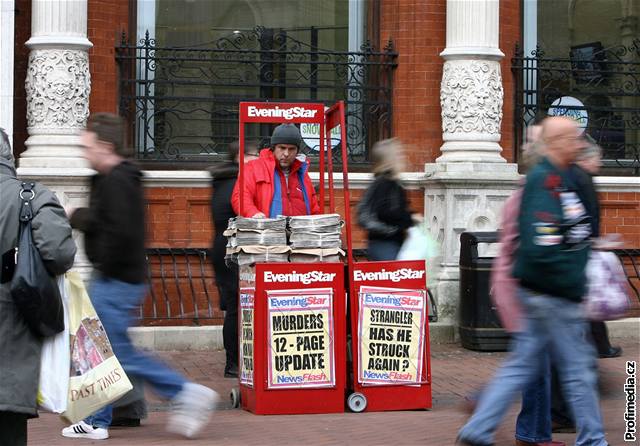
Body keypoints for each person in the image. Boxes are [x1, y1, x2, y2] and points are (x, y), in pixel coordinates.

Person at [62, 113, 217, 441]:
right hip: (114, 278)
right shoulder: (108, 178)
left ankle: (185, 392)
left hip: (117, 279)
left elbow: (122, 232)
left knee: (114, 352)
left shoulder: (119, 180)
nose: (83, 151)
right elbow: (109, 223)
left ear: (104, 145)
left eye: (87, 145)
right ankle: (98, 419)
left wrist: (83, 222)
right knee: (106, 350)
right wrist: (82, 218)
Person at [457, 117, 607, 446]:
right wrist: (572, 278)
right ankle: (594, 440)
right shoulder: (544, 182)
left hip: (545, 293)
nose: (578, 144)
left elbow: (573, 231)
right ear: (555, 143)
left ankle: (476, 430)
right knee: (578, 370)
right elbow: (542, 246)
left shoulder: (561, 178)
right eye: (572, 138)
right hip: (552, 294)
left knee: (523, 366)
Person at [0, 128, 77, 446]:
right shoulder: (31, 196)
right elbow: (59, 254)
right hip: (10, 323)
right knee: (8, 424)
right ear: (9, 157)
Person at [489, 124, 564, 446]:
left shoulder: (527, 195)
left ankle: (531, 431)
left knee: (532, 365)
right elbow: (535, 246)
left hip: (523, 291)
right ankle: (527, 432)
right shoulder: (531, 198)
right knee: (533, 368)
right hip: (526, 293)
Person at [210, 140, 259, 378]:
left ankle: (237, 360)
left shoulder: (224, 181)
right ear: (242, 157)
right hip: (231, 253)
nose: (258, 159)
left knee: (236, 306)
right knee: (237, 307)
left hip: (227, 250)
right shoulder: (232, 183)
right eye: (254, 155)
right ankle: (233, 363)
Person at [231, 124, 320, 218]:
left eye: (291, 149)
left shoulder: (302, 172)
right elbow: (240, 197)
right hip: (267, 230)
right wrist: (253, 213)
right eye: (282, 148)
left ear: (297, 151)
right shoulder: (253, 168)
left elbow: (313, 207)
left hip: (300, 230)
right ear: (273, 148)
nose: (286, 154)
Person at [356, 138, 415, 261]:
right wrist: (411, 218)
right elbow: (386, 212)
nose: (402, 157)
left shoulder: (382, 181)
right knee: (393, 278)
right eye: (398, 154)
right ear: (390, 159)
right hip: (385, 245)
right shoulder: (387, 183)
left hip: (383, 244)